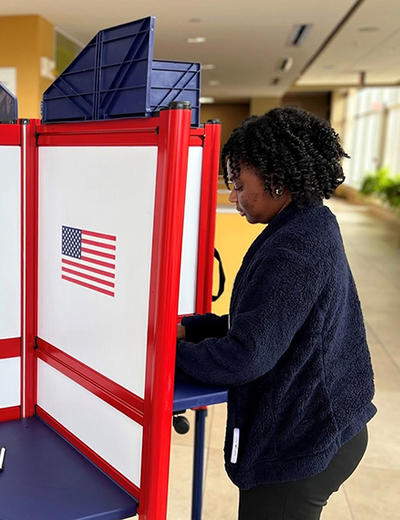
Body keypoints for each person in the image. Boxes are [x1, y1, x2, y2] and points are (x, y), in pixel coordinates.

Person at [175, 106, 377, 520]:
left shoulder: (293, 248)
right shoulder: (308, 223)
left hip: (305, 439)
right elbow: (270, 321)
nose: (232, 196)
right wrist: (190, 329)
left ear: (277, 180)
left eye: (238, 183)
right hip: (329, 421)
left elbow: (245, 356)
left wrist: (162, 353)